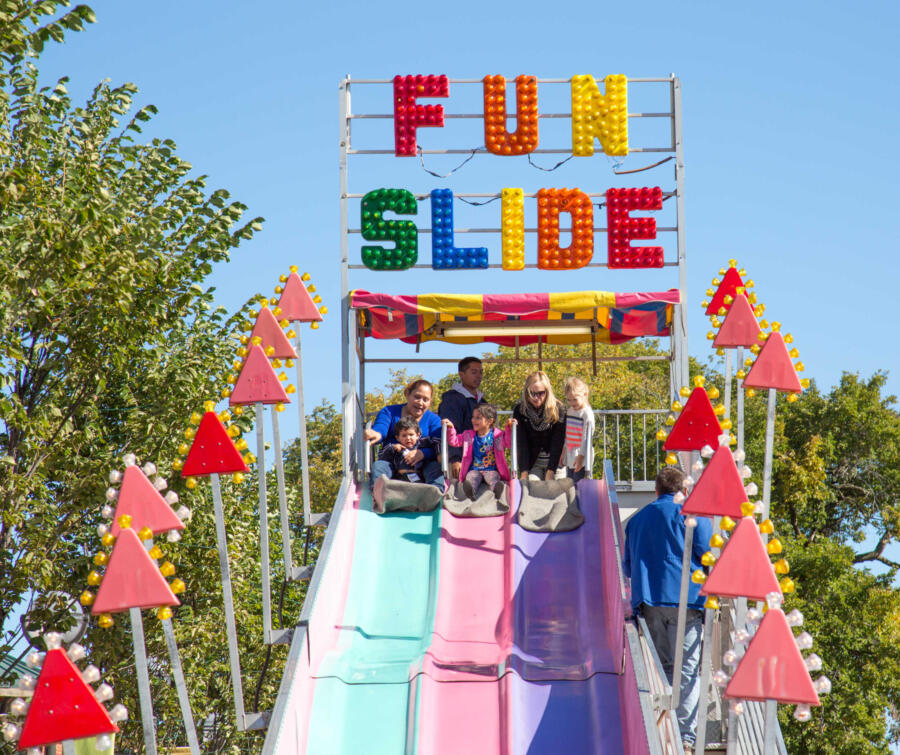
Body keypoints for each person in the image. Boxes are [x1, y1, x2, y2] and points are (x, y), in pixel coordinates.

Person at [622, 467, 712, 755]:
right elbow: (708, 552)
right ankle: (685, 738)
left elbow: (628, 566)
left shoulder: (636, 521)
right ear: (683, 489)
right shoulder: (691, 514)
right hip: (687, 600)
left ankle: (663, 732)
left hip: (649, 601)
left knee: (661, 669)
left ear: (657, 489)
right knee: (687, 670)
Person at [365, 378, 444, 489]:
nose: (420, 402)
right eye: (417, 397)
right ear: (407, 394)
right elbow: (381, 428)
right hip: (393, 463)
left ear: (430, 402)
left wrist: (422, 453)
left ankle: (434, 492)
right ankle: (379, 491)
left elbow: (437, 445)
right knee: (379, 466)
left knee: (435, 467)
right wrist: (377, 434)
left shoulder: (433, 420)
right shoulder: (389, 412)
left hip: (422, 465)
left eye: (425, 399)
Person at [442, 404, 513, 499]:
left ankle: (496, 489)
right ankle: (471, 491)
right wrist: (450, 428)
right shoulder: (468, 435)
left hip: (491, 469)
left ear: (490, 421)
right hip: (474, 469)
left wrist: (509, 428)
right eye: (473, 417)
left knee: (494, 477)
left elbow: (508, 443)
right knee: (471, 477)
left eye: (478, 418)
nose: (473, 420)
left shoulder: (497, 436)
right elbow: (454, 441)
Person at [512, 371, 566, 481]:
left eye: (541, 393)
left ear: (547, 392)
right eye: (532, 393)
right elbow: (522, 443)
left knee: (556, 489)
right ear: (526, 392)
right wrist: (524, 472)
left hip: (556, 464)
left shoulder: (559, 408)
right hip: (534, 464)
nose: (536, 397)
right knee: (531, 486)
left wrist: (551, 471)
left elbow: (558, 441)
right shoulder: (520, 410)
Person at [438, 356, 485, 480]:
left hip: (481, 460)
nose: (478, 376)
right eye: (473, 372)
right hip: (461, 460)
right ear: (461, 374)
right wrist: (455, 458)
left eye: (481, 372)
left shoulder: (482, 401)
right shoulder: (452, 399)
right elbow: (450, 429)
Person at [377, 417, 440, 483]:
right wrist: (392, 448)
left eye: (411, 435)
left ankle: (436, 488)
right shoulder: (397, 448)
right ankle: (378, 487)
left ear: (418, 435)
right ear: (397, 438)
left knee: (435, 466)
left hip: (420, 476)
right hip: (400, 478)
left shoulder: (423, 444)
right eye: (404, 436)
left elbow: (435, 450)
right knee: (379, 465)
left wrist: (424, 453)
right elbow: (381, 456)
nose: (408, 438)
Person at [562, 376, 595, 482]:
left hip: (582, 454)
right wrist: (564, 450)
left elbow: (586, 437)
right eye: (569, 400)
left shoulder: (586, 414)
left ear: (584, 395)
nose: (572, 403)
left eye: (575, 399)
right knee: (569, 482)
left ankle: (579, 498)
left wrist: (581, 456)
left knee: (578, 483)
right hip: (570, 452)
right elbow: (567, 433)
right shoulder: (570, 411)